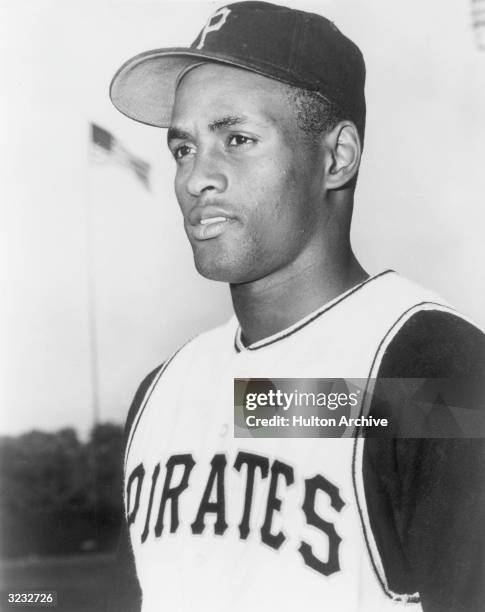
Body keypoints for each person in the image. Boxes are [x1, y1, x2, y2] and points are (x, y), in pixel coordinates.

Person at [109, 2, 485, 611]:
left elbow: (301, 406)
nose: (196, 177)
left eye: (237, 139)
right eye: (183, 148)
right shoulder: (161, 393)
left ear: (336, 158)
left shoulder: (438, 370)